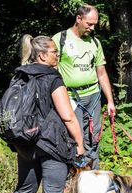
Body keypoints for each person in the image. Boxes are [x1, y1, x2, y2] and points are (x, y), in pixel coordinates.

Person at [0, 34, 84, 193]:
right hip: (51, 144)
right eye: (54, 52)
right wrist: (79, 142)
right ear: (42, 55)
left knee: (23, 190)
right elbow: (68, 116)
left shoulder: (19, 76)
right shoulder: (52, 78)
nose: (57, 56)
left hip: (25, 143)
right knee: (52, 192)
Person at [53, 4, 115, 170]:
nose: (92, 27)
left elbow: (101, 73)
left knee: (93, 139)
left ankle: (93, 173)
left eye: (94, 24)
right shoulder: (60, 39)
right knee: (75, 137)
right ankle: (73, 175)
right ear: (78, 19)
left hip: (93, 96)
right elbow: (52, 71)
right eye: (89, 24)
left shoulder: (95, 43)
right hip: (70, 97)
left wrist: (110, 101)